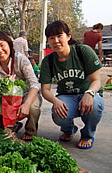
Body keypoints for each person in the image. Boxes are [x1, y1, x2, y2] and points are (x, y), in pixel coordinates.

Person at [39, 20, 104, 149]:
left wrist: (89, 93)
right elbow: (45, 89)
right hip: (67, 96)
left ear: (68, 36)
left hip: (89, 93)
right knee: (58, 112)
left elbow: (96, 80)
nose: (56, 41)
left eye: (59, 36)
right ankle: (69, 130)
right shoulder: (48, 61)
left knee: (95, 105)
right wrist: (55, 101)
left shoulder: (83, 51)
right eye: (52, 38)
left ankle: (87, 135)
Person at [0, 31, 42, 141]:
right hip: (9, 99)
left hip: (27, 94)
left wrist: (25, 104)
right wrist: (3, 113)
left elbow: (34, 84)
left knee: (32, 107)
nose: (0, 50)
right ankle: (14, 125)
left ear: (9, 44)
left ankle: (30, 130)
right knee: (2, 130)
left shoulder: (20, 59)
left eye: (2, 45)